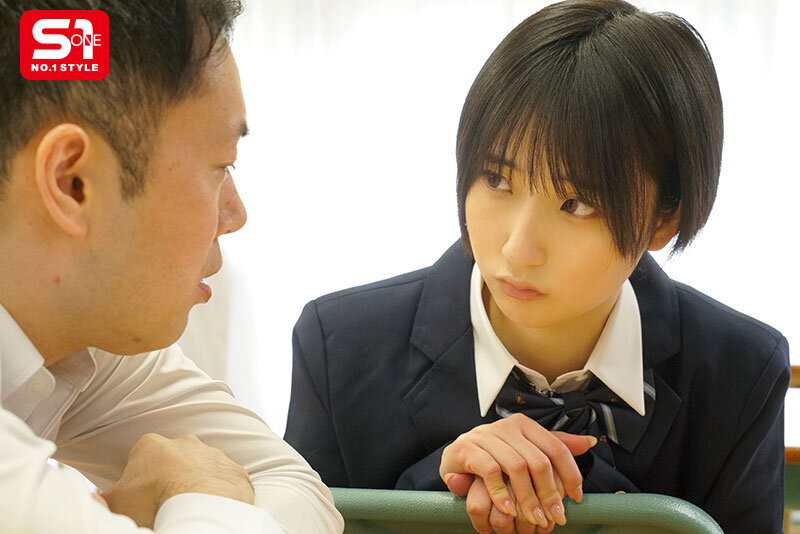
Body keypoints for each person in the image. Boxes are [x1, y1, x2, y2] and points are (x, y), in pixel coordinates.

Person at [284, 1, 790, 533]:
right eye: (497, 180)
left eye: (577, 204)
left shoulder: (740, 371)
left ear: (664, 219)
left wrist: (581, 488)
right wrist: (436, 490)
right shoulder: (337, 345)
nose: (518, 249)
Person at [0, 1, 343, 533]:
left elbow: (294, 484)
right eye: (222, 165)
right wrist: (200, 496)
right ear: (73, 183)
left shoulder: (84, 341)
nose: (236, 214)